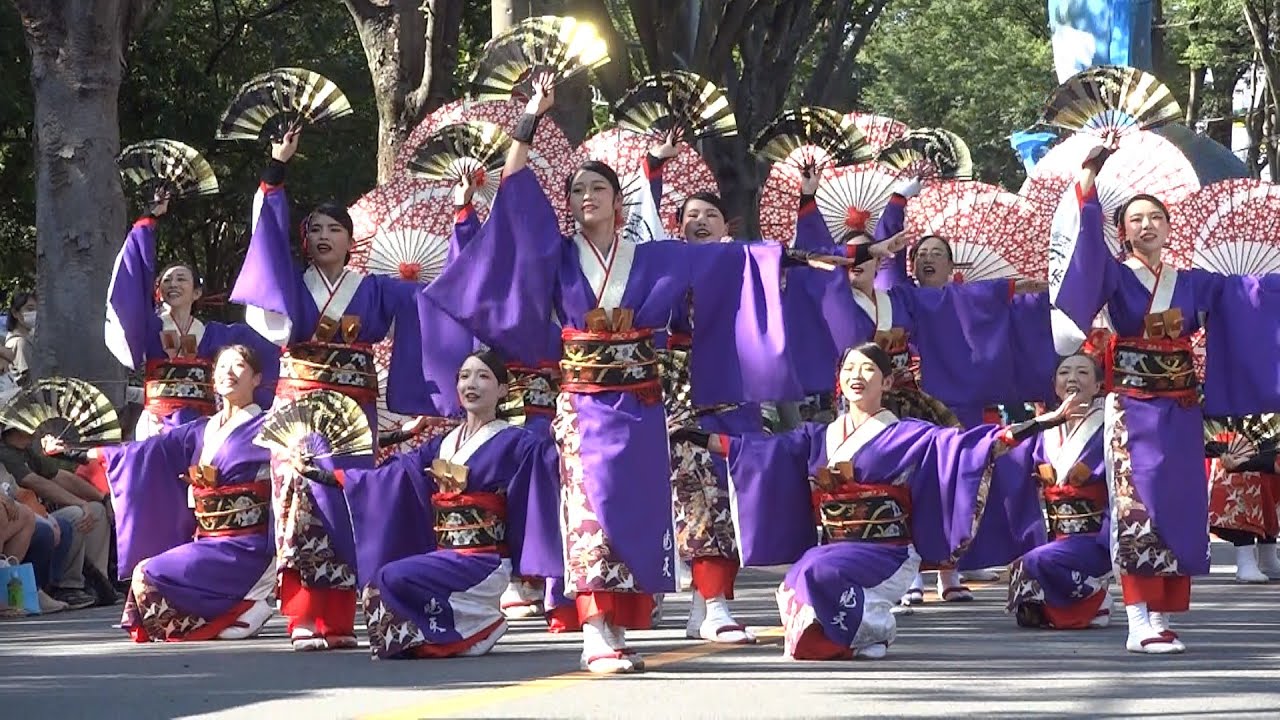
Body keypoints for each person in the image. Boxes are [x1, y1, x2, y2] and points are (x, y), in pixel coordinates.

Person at [422, 78, 838, 673]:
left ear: (620, 204)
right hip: (584, 404)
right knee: (591, 507)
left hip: (643, 405)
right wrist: (531, 117)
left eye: (598, 187)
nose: (585, 195)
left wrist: (799, 255)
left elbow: (728, 257)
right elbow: (514, 195)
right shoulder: (558, 254)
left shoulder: (655, 256)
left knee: (636, 509)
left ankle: (620, 624)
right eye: (577, 190)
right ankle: (593, 628)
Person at [681, 342, 1062, 660]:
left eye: (867, 369)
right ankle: (860, 631)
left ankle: (877, 624)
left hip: (888, 551)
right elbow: (760, 451)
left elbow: (970, 447)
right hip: (836, 547)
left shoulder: (912, 434)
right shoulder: (820, 435)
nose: (856, 376)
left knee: (818, 573)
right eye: (849, 368)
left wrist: (1039, 423)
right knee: (796, 580)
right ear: (839, 380)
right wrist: (694, 437)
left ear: (887, 381)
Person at [1049, 145, 1280, 653]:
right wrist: (1088, 184)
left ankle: (1157, 614)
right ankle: (1136, 619)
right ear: (1123, 230)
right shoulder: (1113, 273)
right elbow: (1087, 255)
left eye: (1156, 217)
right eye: (1136, 220)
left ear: (1169, 227)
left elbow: (1251, 296)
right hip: (1132, 408)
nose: (1147, 225)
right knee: (1137, 506)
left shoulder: (1193, 282)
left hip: (1179, 408)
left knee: (1177, 507)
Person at [230, 129, 437, 651]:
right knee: (299, 503)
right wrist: (276, 169)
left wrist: (462, 218)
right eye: (315, 229)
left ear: (351, 240)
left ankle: (341, 619)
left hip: (354, 411)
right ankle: (303, 616)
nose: (323, 236)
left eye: (334, 229)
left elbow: (439, 299)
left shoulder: (375, 288)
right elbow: (267, 234)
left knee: (349, 502)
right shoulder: (292, 286)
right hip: (298, 409)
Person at [298, 350, 561, 659]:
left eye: (483, 376)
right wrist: (337, 477)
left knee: (393, 578)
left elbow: (534, 498)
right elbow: (395, 475)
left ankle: (478, 624)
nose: (470, 384)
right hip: (448, 552)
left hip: (485, 558)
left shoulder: (521, 442)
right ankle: (464, 628)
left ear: (503, 390)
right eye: (464, 377)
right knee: (382, 579)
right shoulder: (444, 443)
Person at [92, 344, 275, 641]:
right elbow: (143, 453)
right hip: (208, 538)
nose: (229, 372)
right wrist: (78, 451)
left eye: (239, 365)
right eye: (221, 367)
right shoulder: (201, 429)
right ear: (212, 379)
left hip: (249, 545)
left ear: (256, 378)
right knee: (148, 575)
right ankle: (237, 610)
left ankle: (246, 602)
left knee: (149, 574)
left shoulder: (267, 424)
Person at [105, 192, 280, 440]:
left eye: (181, 279)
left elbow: (272, 339)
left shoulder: (219, 335)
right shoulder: (150, 326)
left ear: (197, 292)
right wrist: (148, 220)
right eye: (167, 280)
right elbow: (131, 289)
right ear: (158, 291)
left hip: (204, 423)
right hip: (156, 422)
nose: (173, 284)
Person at [1006, 352, 1114, 630]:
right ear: (1055, 385)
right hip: (1056, 534)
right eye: (1065, 373)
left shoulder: (1112, 426)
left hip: (1095, 536)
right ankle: (1085, 604)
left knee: (1035, 562)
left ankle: (1095, 592)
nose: (1072, 378)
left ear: (1098, 385)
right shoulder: (1046, 430)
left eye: (1082, 372)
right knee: (1024, 578)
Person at [0, 419, 115, 607]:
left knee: (96, 510)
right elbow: (36, 482)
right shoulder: (5, 451)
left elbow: (58, 476)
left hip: (34, 511)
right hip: (25, 510)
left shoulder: (28, 450)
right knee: (75, 516)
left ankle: (97, 583)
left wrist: (102, 497)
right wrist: (80, 503)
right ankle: (65, 587)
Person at [1204, 423, 1280, 582]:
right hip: (1228, 442)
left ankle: (1268, 556)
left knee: (1269, 495)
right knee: (1242, 489)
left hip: (1263, 439)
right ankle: (1246, 560)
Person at [5, 291, 38, 388]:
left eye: (37, 309)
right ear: (15, 313)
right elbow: (29, 380)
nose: (35, 313)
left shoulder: (30, 338)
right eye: (30, 309)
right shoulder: (19, 343)